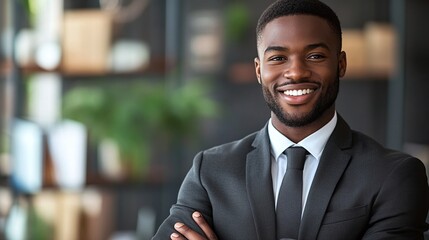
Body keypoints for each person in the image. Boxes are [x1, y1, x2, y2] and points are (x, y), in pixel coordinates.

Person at [152, 0, 429, 239]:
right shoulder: (211, 172)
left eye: (315, 55)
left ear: (340, 64)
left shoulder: (393, 176)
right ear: (259, 71)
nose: (296, 72)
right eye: (278, 58)